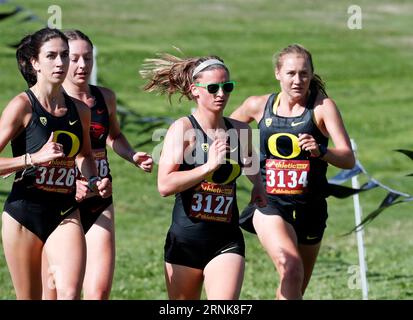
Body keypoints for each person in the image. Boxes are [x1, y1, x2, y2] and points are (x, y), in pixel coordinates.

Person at [230, 44, 355, 299]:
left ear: (311, 74)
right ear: (278, 73)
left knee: (294, 286)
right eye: (290, 73)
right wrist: (248, 164)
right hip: (270, 204)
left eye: (304, 73)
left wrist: (322, 151)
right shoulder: (257, 105)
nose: (297, 80)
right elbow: (227, 130)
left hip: (312, 207)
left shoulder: (322, 108)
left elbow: (348, 158)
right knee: (292, 270)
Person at [140, 53, 266, 299]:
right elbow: (164, 185)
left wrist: (258, 186)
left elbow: (252, 166)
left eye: (227, 87)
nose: (221, 94)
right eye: (213, 88)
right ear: (195, 90)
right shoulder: (184, 130)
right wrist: (207, 168)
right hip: (185, 241)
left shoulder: (239, 130)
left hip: (226, 240)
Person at [40, 29, 153, 300]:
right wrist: (71, 181)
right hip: (59, 202)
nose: (82, 66)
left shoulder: (105, 98)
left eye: (87, 58)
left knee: (99, 292)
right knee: (57, 292)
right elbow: (40, 155)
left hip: (99, 197)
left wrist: (132, 155)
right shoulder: (48, 104)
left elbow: (114, 136)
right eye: (75, 58)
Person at [0, 27, 111, 300]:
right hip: (24, 214)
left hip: (65, 210)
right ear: (35, 62)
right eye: (51, 56)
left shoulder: (79, 110)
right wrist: (32, 159)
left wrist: (94, 181)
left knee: (70, 292)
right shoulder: (22, 106)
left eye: (64, 55)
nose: (60, 63)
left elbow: (85, 156)